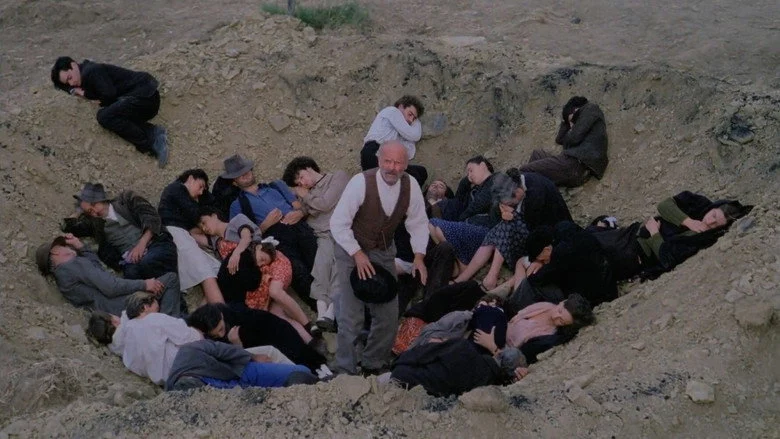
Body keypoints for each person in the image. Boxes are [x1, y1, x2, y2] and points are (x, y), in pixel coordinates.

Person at [330, 141, 430, 375]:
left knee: (387, 315)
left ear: (406, 164)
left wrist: (419, 256)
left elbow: (418, 222)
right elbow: (338, 223)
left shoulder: (410, 185)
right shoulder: (360, 182)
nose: (392, 168)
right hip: (350, 249)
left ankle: (373, 364)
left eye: (398, 163)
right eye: (388, 161)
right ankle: (345, 369)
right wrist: (357, 254)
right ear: (379, 160)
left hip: (383, 250)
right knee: (351, 316)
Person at [591, 191, 753, 281]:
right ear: (713, 208)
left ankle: (603, 227)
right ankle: (604, 226)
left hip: (636, 253)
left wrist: (654, 233)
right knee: (586, 237)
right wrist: (688, 221)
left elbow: (667, 258)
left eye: (716, 224)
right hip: (632, 232)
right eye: (713, 216)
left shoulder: (702, 239)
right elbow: (664, 205)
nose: (710, 222)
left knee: (590, 255)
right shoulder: (699, 204)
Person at [222, 154, 317, 303]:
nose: (245, 174)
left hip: (299, 227)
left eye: (246, 170)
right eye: (239, 174)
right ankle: (322, 310)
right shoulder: (237, 205)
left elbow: (301, 207)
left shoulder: (276, 186)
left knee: (319, 264)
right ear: (234, 182)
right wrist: (266, 224)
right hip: (276, 240)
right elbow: (246, 240)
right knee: (299, 273)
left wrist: (298, 214)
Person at [50, 56, 168, 167]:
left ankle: (152, 141)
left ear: (74, 65)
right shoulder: (84, 75)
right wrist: (73, 90)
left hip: (146, 97)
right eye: (68, 83)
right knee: (110, 112)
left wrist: (84, 93)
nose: (71, 84)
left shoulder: (91, 71)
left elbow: (109, 95)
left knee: (104, 116)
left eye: (70, 78)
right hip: (143, 99)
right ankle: (153, 132)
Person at [35, 234, 182, 316]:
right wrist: (144, 284)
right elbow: (110, 286)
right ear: (55, 251)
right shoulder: (74, 265)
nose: (67, 246)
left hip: (110, 311)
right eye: (64, 245)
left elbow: (96, 269)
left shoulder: (63, 278)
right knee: (170, 279)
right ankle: (169, 325)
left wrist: (81, 247)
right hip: (124, 304)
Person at [282, 156, 350, 331]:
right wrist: (303, 207)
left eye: (301, 177)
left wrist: (306, 197)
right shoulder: (307, 194)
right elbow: (306, 209)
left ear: (309, 167)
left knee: (338, 268)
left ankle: (331, 312)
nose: (303, 183)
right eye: (298, 183)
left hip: (343, 231)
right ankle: (321, 314)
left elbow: (325, 204)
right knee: (321, 268)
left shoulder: (337, 177)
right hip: (323, 234)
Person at [63, 183, 177, 280]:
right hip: (132, 260)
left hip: (154, 244)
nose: (93, 211)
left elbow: (151, 217)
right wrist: (79, 210)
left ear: (100, 199)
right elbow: (70, 227)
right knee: (132, 276)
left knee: (149, 261)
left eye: (93, 204)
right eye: (89, 211)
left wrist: (142, 244)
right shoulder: (95, 224)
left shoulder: (126, 199)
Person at [217, 239, 319, 341]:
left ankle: (307, 325)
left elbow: (252, 283)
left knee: (275, 294)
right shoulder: (246, 254)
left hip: (266, 281)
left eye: (263, 262)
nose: (260, 264)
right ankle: (308, 339)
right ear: (258, 247)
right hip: (252, 296)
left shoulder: (255, 259)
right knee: (276, 314)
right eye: (262, 260)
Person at [504, 221, 618, 313]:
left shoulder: (560, 254)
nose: (544, 262)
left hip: (594, 297)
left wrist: (534, 271)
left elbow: (537, 279)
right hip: (608, 282)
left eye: (542, 259)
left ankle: (511, 309)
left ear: (546, 249)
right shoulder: (564, 227)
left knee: (534, 286)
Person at [187, 303, 329, 374]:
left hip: (278, 337)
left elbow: (244, 358)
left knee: (304, 364)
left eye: (221, 329)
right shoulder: (210, 324)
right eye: (215, 335)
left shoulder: (240, 321)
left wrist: (237, 344)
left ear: (222, 316)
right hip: (271, 339)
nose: (219, 335)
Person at [158, 169, 223, 303]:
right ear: (191, 178)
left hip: (181, 235)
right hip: (175, 234)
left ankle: (206, 313)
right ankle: (221, 312)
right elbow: (195, 214)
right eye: (200, 186)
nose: (201, 192)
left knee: (216, 269)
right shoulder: (177, 188)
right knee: (206, 272)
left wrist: (202, 195)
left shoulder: (182, 195)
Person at [474, 294, 594, 363]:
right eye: (559, 311)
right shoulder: (546, 306)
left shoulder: (547, 336)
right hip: (501, 328)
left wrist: (492, 346)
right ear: (561, 302)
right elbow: (515, 316)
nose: (555, 316)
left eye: (561, 321)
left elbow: (515, 357)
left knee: (492, 314)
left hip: (499, 346)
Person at [518, 96, 608, 187]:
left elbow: (573, 138)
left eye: (572, 122)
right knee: (536, 154)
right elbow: (560, 139)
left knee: (524, 170)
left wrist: (571, 123)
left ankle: (522, 191)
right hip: (573, 165)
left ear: (576, 109)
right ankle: (538, 189)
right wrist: (566, 120)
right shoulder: (587, 118)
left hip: (577, 164)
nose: (572, 126)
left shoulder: (590, 108)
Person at [388, 338, 527, 397]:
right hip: (417, 397)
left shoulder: (463, 347)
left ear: (498, 353)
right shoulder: (486, 389)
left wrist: (396, 363)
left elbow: (422, 353)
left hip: (402, 375)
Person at [165, 339, 317, 391]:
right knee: (301, 371)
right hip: (237, 371)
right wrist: (253, 357)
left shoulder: (178, 364)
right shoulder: (191, 346)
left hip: (220, 377)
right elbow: (223, 350)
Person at [361, 96, 427, 185]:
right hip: (373, 153)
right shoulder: (392, 111)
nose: (411, 120)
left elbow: (410, 153)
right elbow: (415, 136)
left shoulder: (398, 131)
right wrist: (417, 122)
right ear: (401, 106)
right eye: (410, 114)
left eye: (414, 118)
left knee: (421, 172)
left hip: (388, 158)